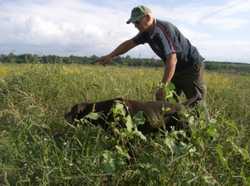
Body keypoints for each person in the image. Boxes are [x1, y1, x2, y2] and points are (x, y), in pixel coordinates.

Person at [96, 5, 206, 107]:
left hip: (190, 68)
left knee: (196, 103)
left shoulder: (163, 29)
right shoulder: (146, 32)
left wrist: (163, 86)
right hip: (175, 70)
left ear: (148, 17)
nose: (135, 26)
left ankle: (201, 126)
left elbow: (172, 59)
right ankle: (170, 127)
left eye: (137, 22)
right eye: (134, 23)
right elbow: (129, 44)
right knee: (165, 103)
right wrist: (110, 56)